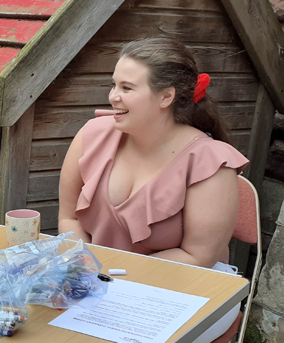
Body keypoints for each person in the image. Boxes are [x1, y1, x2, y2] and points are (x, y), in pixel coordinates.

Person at [58, 37, 248, 342]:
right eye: (114, 85)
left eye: (127, 88)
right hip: (100, 281)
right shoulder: (91, 135)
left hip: (188, 287)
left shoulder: (211, 162)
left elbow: (198, 256)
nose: (113, 97)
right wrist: (84, 267)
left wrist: (113, 277)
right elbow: (69, 219)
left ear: (166, 97)